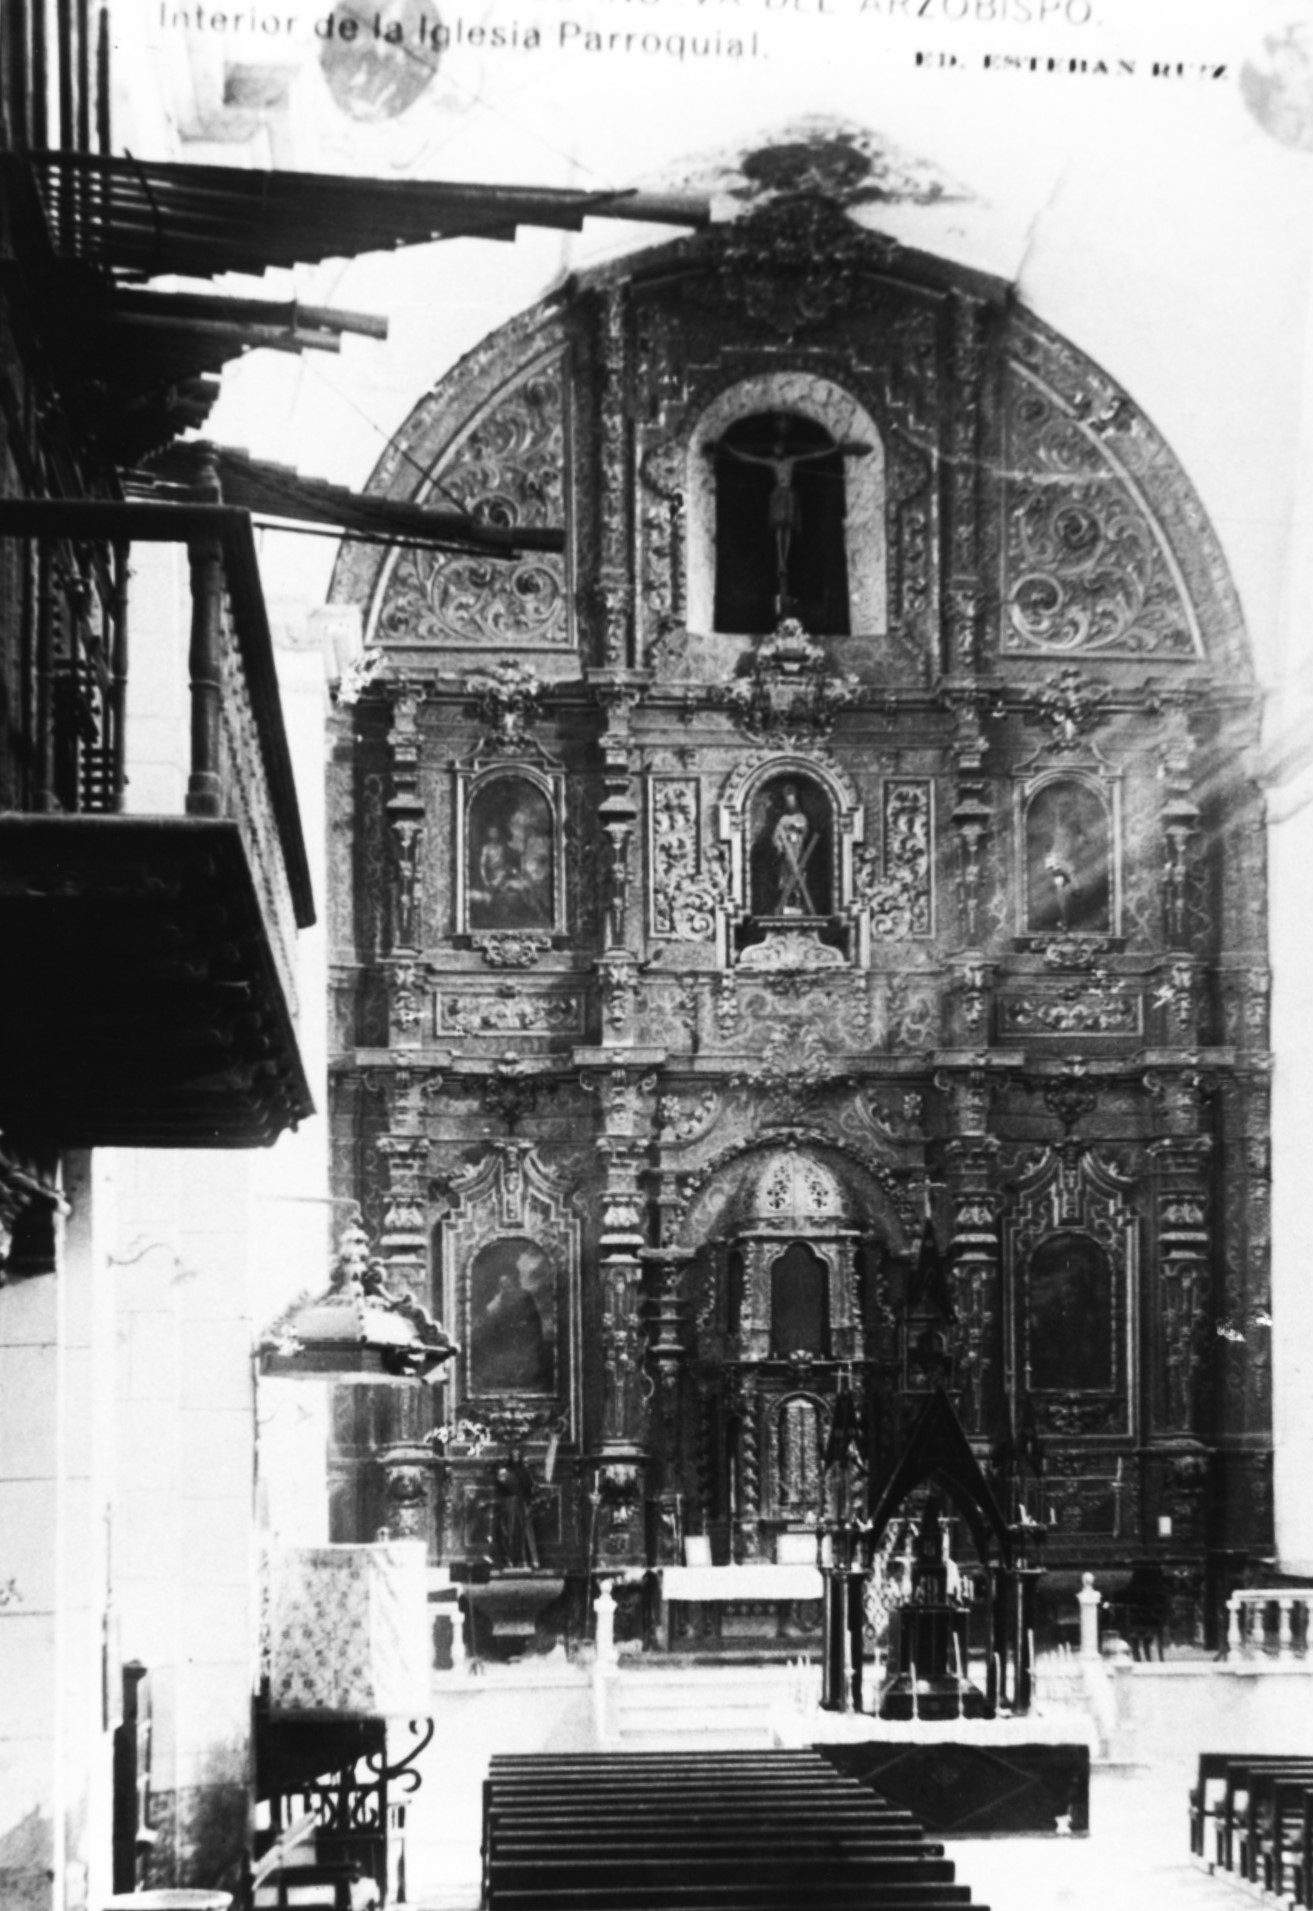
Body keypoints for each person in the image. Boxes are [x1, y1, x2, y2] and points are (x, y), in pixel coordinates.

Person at [475, 1248, 551, 1390]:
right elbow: (492, 1323)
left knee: (525, 1366)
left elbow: (534, 1322)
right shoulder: (496, 1302)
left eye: (508, 1283)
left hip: (523, 1337)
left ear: (514, 1281)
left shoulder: (525, 1296)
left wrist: (523, 1330)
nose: (506, 1286)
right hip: (505, 1338)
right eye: (502, 1284)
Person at [771, 784, 817, 914]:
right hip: (786, 853)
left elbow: (805, 833)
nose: (790, 804)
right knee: (786, 878)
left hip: (799, 852)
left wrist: (796, 830)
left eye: (792, 801)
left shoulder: (802, 817)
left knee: (799, 876)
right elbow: (776, 836)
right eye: (787, 801)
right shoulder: (783, 819)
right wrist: (780, 845)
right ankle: (787, 901)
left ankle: (798, 901)